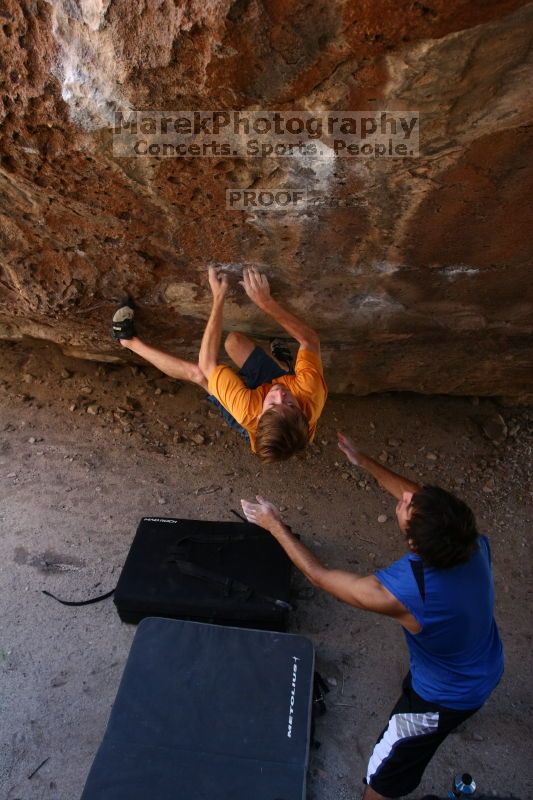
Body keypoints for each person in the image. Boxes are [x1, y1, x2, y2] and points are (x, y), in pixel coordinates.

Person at [240, 431, 504, 799]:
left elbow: (320, 577)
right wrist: (363, 461)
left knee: (382, 774)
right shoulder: (469, 540)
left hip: (444, 697)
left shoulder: (407, 591)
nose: (406, 496)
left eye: (408, 506)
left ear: (413, 543)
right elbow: (421, 497)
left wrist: (273, 525)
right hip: (486, 661)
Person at [112, 266, 327, 462]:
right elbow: (309, 340)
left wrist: (219, 297)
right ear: (302, 413)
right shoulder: (308, 391)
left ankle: (127, 340)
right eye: (290, 404)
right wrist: (265, 302)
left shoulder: (246, 411)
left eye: (274, 404)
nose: (280, 394)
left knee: (198, 375)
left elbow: (206, 364)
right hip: (282, 391)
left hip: (249, 405)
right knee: (234, 342)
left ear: (260, 414)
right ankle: (283, 366)